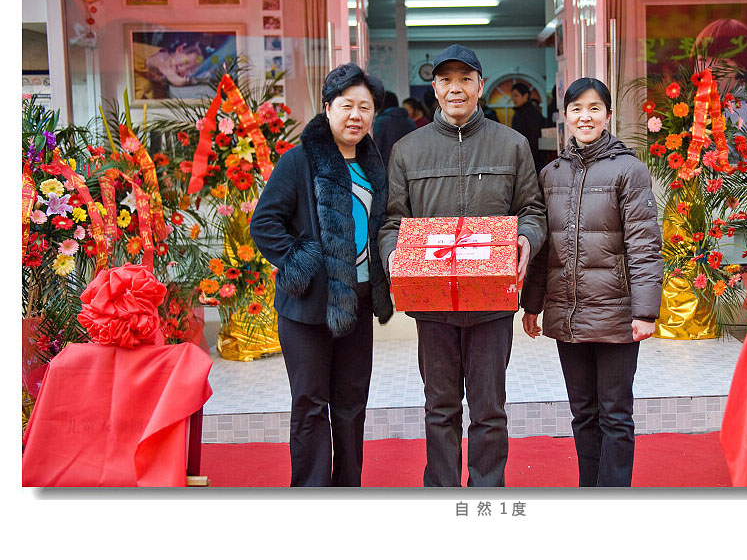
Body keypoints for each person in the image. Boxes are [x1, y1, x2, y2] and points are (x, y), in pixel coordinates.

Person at [379, 44, 547, 487]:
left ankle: (486, 494)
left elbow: (532, 210)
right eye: (446, 80)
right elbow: (393, 220)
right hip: (433, 305)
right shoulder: (407, 150)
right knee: (440, 407)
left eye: (465, 79)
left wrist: (527, 239)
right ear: (434, 88)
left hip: (492, 302)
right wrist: (395, 254)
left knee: (489, 410)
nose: (456, 88)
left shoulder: (512, 145)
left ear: (480, 86)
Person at [250, 62, 393, 487]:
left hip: (358, 303)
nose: (356, 116)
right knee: (311, 404)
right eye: (346, 106)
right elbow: (264, 223)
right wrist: (304, 262)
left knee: (351, 404)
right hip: (308, 308)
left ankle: (348, 486)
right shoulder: (299, 162)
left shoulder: (374, 165)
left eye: (365, 107)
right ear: (328, 108)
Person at [521, 77, 664, 487]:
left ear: (608, 115)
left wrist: (645, 311)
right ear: (565, 116)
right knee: (583, 413)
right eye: (577, 109)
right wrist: (532, 305)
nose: (585, 117)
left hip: (617, 314)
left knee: (615, 414)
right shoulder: (550, 174)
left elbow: (644, 244)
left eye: (594, 108)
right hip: (567, 313)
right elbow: (543, 249)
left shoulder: (630, 171)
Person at [372, 90, 417, 165]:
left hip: (387, 166)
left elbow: (376, 148)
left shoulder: (381, 122)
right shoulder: (411, 122)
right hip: (409, 166)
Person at [510, 82, 543, 169]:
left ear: (525, 96)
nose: (513, 99)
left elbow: (533, 139)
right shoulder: (518, 113)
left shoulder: (531, 113)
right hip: (522, 157)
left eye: (516, 96)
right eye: (512, 96)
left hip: (529, 159)